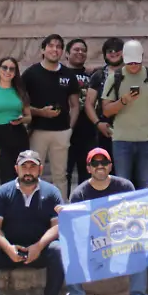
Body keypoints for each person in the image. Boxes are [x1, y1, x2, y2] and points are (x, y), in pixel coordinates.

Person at [0, 150, 66, 295]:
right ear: (16, 169)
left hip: (40, 250)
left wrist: (38, 246)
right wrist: (8, 248)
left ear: (40, 169)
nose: (28, 171)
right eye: (24, 166)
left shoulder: (52, 192)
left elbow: (58, 226)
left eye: (32, 167)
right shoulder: (3, 192)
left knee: (59, 250)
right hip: (9, 250)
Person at [63, 148, 148, 295]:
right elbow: (76, 226)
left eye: (104, 162)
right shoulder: (79, 193)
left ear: (110, 166)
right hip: (93, 244)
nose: (100, 166)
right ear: (88, 168)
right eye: (95, 163)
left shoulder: (125, 186)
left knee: (139, 245)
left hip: (121, 239)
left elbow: (134, 216)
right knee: (68, 247)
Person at [101, 40, 148, 191]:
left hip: (146, 140)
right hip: (121, 140)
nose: (134, 66)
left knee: (145, 183)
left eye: (137, 62)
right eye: (130, 63)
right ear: (124, 58)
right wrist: (123, 101)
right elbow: (106, 110)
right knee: (123, 184)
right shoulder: (115, 78)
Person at [21, 34, 81, 189]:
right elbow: (20, 104)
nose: (55, 49)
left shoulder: (68, 74)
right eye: (51, 46)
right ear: (43, 50)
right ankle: (33, 203)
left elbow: (75, 105)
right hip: (37, 131)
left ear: (62, 52)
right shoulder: (30, 74)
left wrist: (70, 129)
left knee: (60, 175)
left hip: (62, 132)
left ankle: (60, 204)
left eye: (59, 47)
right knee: (33, 173)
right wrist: (40, 112)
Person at [0, 57, 33, 184]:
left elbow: (29, 117)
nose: (7, 71)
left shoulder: (20, 91)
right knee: (7, 178)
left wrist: (21, 120)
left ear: (15, 72)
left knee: (21, 177)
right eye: (4, 67)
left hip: (18, 135)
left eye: (11, 69)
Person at [64, 38, 96, 196]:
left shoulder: (93, 75)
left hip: (88, 130)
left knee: (87, 173)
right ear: (67, 53)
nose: (80, 52)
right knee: (65, 173)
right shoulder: (61, 74)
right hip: (66, 129)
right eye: (76, 50)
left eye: (83, 50)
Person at [84, 37, 124, 154]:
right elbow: (89, 104)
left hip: (130, 128)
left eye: (117, 50)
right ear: (105, 54)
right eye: (110, 51)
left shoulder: (133, 72)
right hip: (106, 128)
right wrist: (98, 123)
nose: (113, 53)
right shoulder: (99, 75)